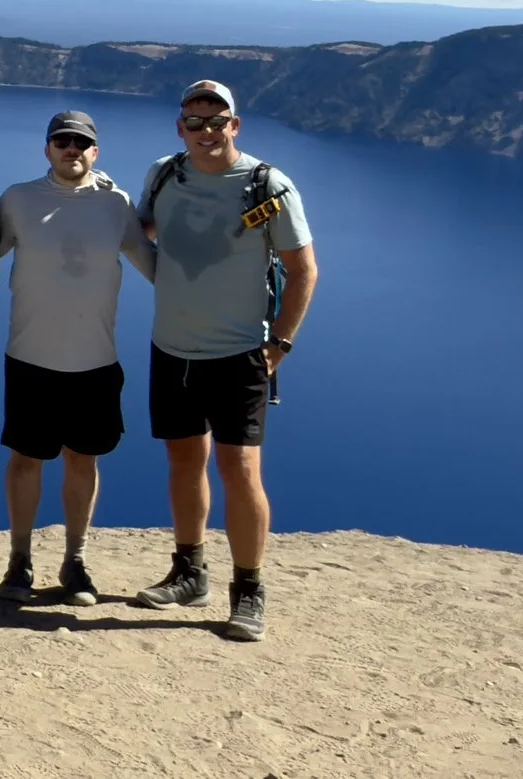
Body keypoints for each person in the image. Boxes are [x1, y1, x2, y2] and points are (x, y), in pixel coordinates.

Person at [130, 79, 319, 643]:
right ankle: (190, 572)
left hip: (240, 354)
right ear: (180, 127)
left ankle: (249, 589)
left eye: (218, 122)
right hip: (172, 348)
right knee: (184, 462)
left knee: (240, 471)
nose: (207, 131)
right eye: (195, 121)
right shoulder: (164, 174)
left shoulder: (268, 186)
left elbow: (304, 270)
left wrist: (280, 343)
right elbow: (142, 232)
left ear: (236, 126)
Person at [0, 108, 153, 607]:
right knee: (26, 461)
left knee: (83, 460)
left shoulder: (115, 203)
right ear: (47, 149)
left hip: (95, 361)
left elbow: (157, 268)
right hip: (30, 357)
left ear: (95, 152)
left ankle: (75, 560)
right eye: (61, 141)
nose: (71, 149)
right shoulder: (18, 200)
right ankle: (19, 560)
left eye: (81, 143)